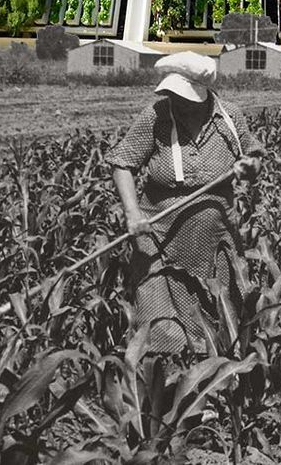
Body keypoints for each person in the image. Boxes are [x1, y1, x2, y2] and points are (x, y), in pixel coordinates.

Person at [107, 51, 263, 355]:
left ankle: (211, 385)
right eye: (172, 93)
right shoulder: (157, 115)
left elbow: (254, 156)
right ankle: (160, 388)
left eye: (184, 95)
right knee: (157, 321)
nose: (176, 101)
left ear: (203, 94)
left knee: (213, 320)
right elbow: (122, 163)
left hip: (213, 244)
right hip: (158, 240)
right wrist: (132, 213)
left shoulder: (229, 118)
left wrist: (250, 167)